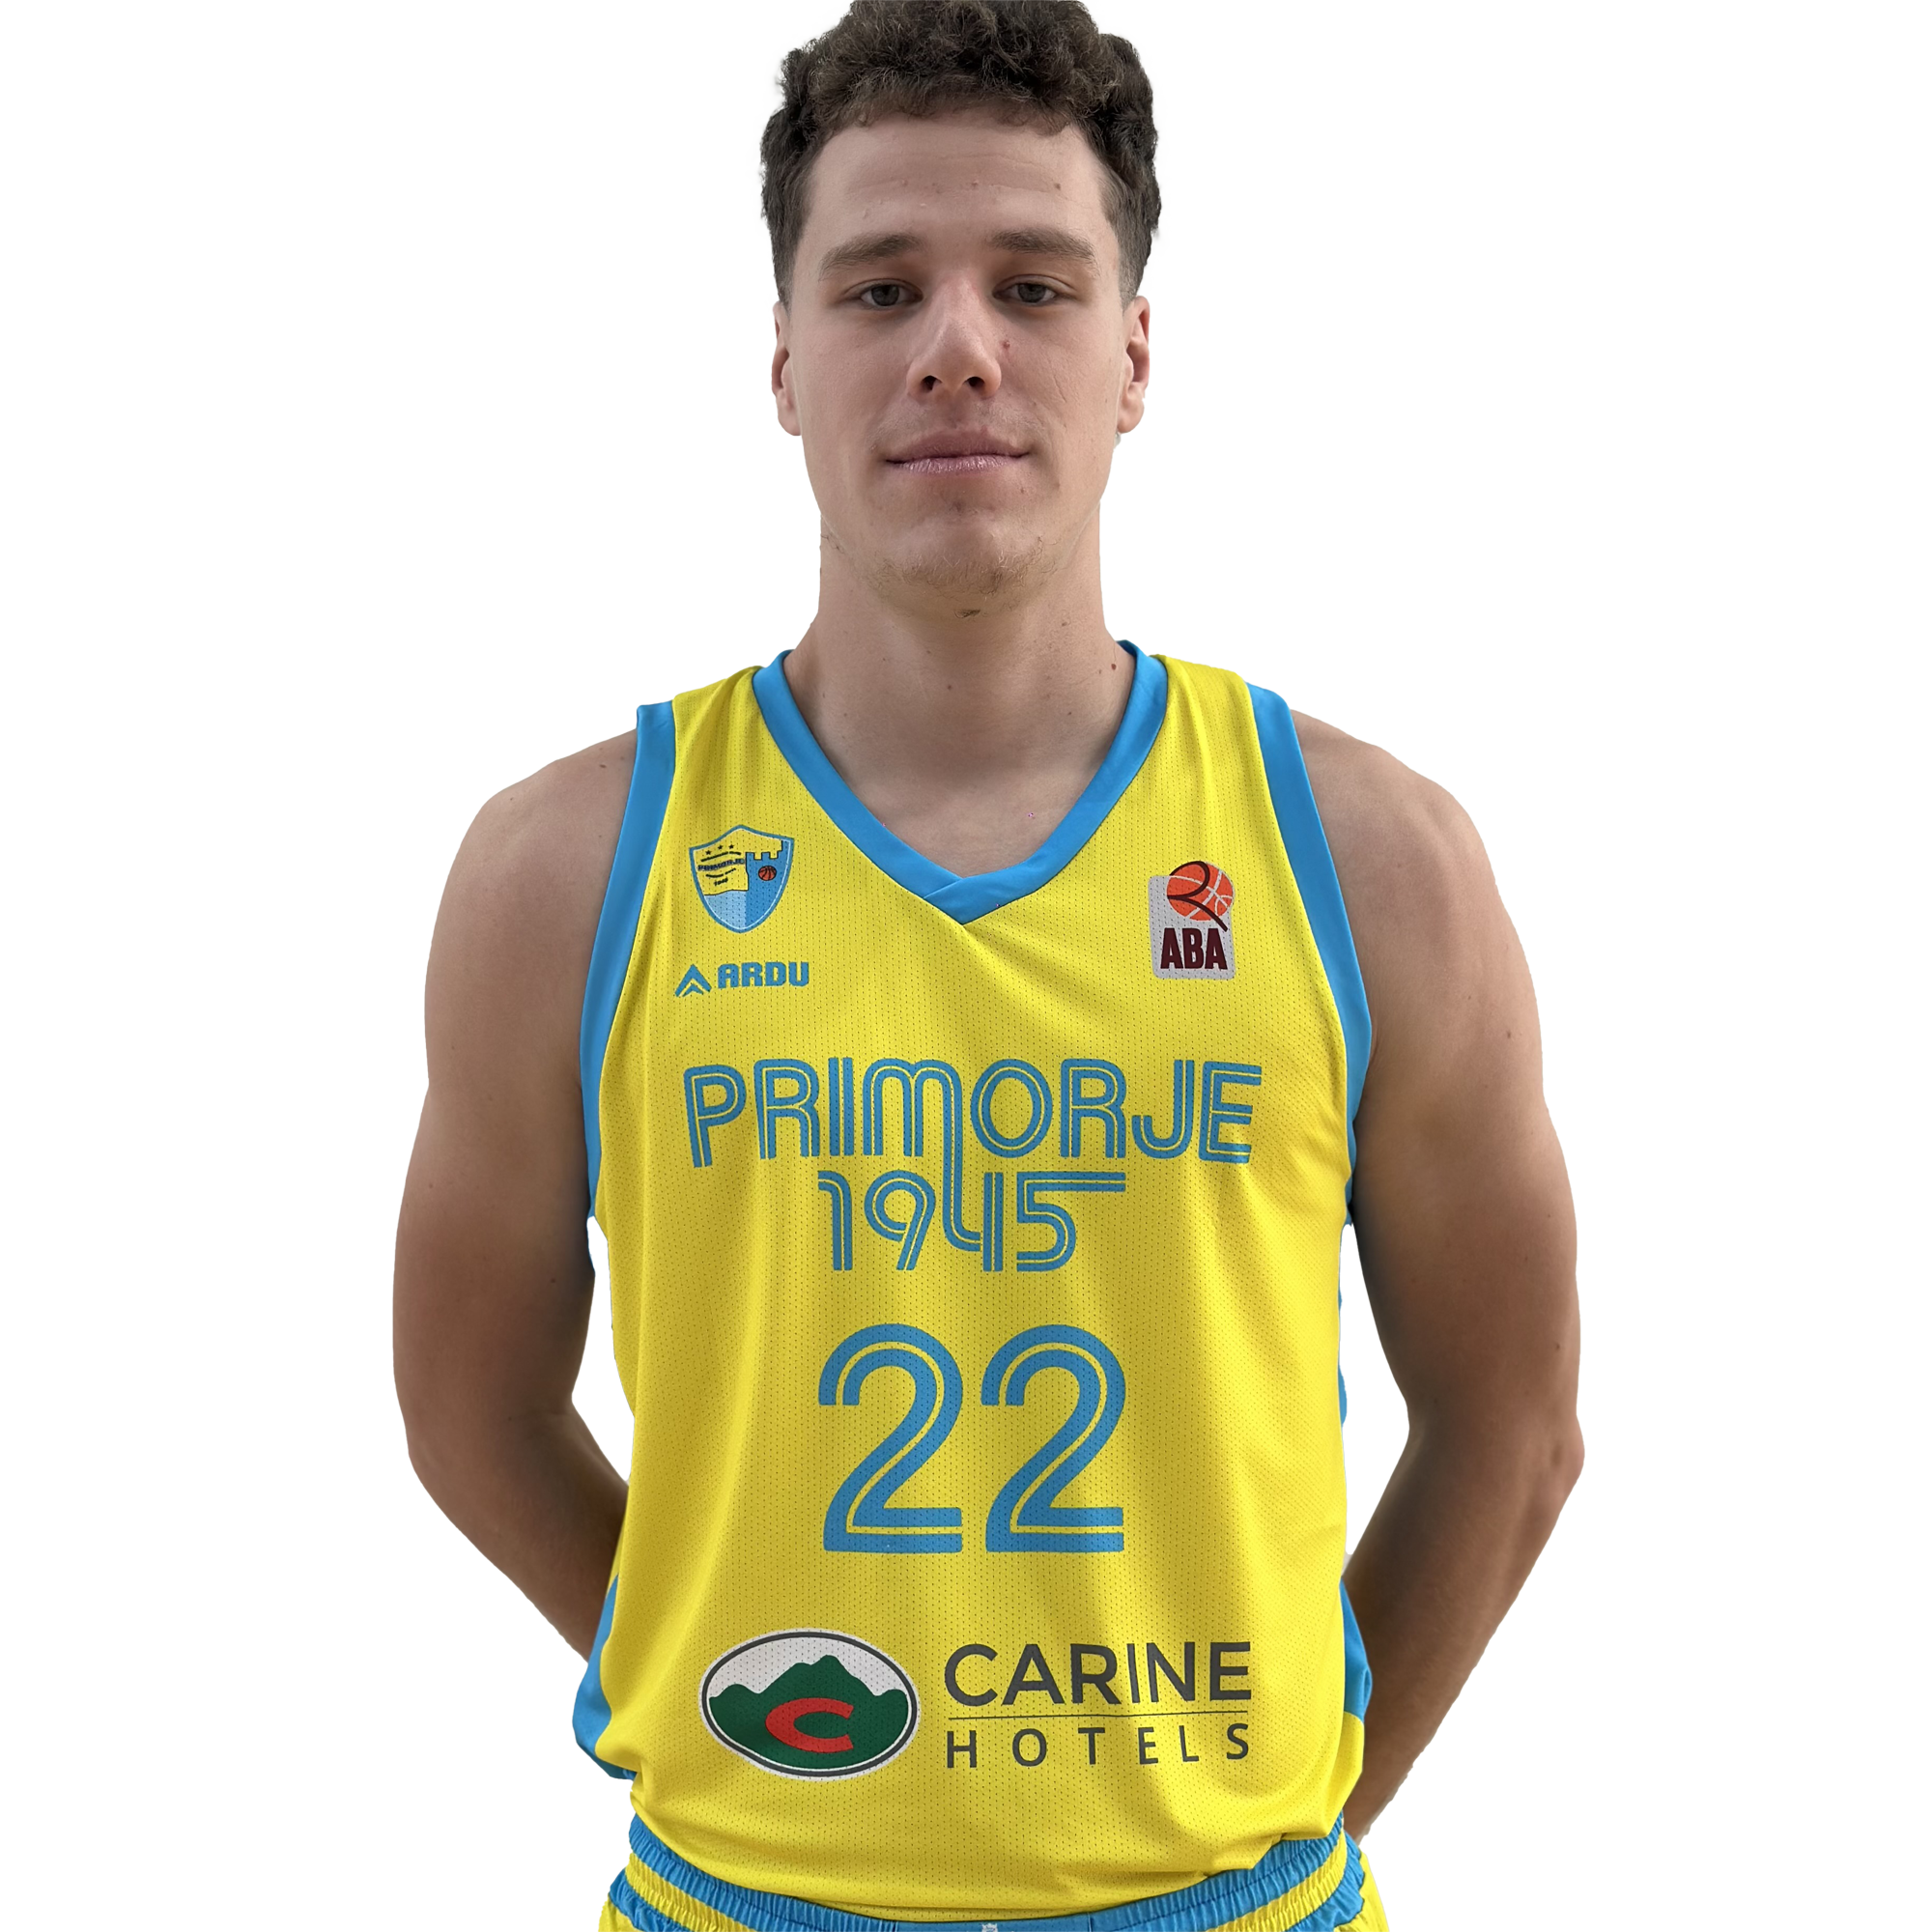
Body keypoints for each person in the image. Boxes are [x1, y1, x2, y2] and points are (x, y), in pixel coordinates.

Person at [394, 3, 1581, 1927]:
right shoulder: (567, 872)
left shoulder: (1374, 866)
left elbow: (1513, 1426)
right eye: (880, 288)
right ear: (786, 362)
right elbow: (468, 1406)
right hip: (737, 1895)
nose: (958, 343)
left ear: (1132, 356)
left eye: (1033, 283)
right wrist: (708, 1669)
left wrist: (1283, 1819)